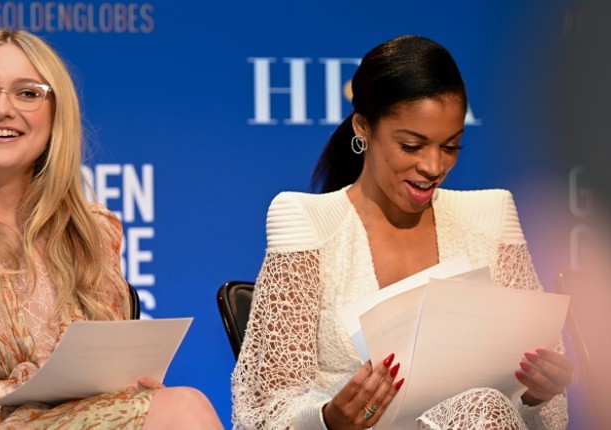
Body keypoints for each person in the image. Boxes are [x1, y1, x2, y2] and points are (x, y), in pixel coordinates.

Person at [0, 28, 223, 429]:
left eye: (27, 93)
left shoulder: (94, 231)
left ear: (56, 114)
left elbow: (106, 377)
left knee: (175, 406)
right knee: (183, 410)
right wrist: (44, 392)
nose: (1, 108)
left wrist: (131, 389)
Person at [231, 35, 572, 429]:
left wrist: (537, 393)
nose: (433, 166)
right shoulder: (308, 222)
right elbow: (264, 409)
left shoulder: (491, 218)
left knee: (483, 407)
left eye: (451, 146)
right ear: (364, 127)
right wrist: (328, 419)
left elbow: (538, 411)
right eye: (412, 145)